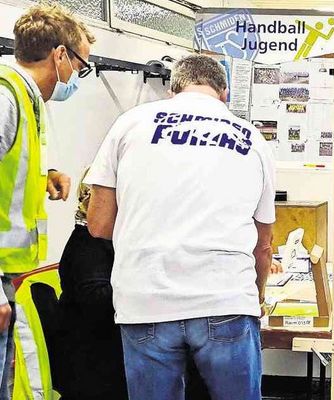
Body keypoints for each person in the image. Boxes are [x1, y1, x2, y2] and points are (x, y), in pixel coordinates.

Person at [84, 54, 275, 400]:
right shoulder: (251, 138)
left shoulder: (129, 124)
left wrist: (150, 230)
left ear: (173, 90)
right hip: (226, 298)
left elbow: (98, 224)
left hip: (145, 298)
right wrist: (258, 296)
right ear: (225, 93)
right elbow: (263, 244)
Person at [0, 4, 94, 397]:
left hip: (11, 277)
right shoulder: (6, 97)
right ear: (59, 55)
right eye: (80, 66)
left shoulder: (25, 98)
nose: (76, 78)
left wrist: (45, 176)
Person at [56, 170, 128, 400]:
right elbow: (97, 301)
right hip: (96, 367)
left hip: (107, 356)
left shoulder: (109, 240)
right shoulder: (87, 242)